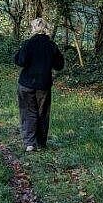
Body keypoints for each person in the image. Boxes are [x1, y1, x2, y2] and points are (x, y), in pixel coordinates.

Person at [14, 18, 65, 152]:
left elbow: (20, 61)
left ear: (34, 29)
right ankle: (41, 143)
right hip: (44, 84)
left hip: (26, 84)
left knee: (27, 112)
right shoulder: (52, 45)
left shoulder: (28, 43)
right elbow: (59, 65)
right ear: (46, 29)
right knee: (42, 113)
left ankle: (29, 143)